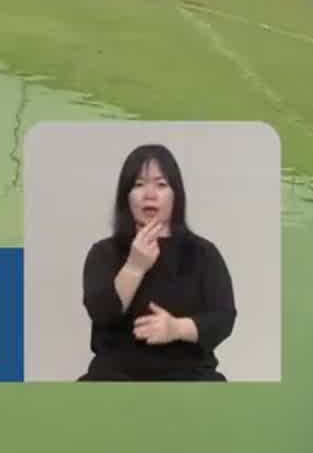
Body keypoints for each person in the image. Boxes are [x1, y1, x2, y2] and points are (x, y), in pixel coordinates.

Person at [79, 143, 236, 380]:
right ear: (126, 196)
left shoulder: (203, 253)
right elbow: (101, 314)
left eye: (161, 185)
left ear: (176, 195)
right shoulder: (103, 252)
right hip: (115, 376)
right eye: (139, 185)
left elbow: (223, 317)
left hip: (189, 376)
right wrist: (135, 266)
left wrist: (176, 328)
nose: (150, 194)